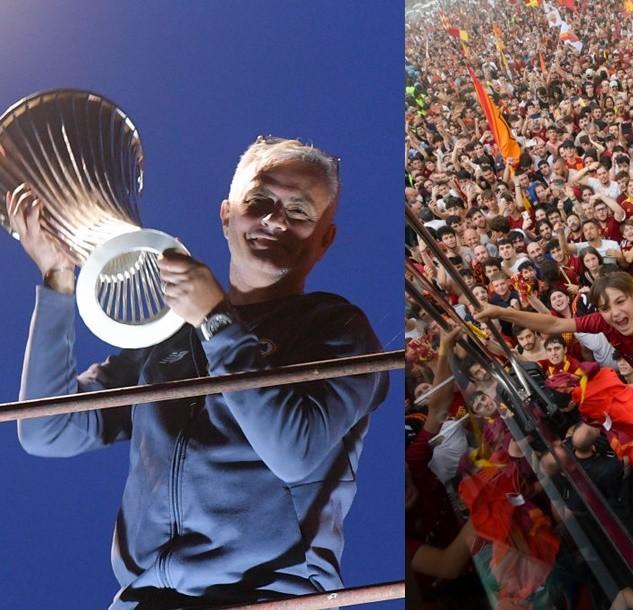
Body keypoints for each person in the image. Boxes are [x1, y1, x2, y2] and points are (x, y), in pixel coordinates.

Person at [10, 137, 389, 608]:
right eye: (260, 201)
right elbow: (47, 430)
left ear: (324, 239)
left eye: (299, 211)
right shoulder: (168, 337)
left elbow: (295, 451)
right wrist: (57, 280)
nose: (274, 219)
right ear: (226, 215)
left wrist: (216, 320)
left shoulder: (337, 328)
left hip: (268, 598)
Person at [476, 272, 633, 422]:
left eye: (620, 302)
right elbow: (554, 324)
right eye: (605, 308)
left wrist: (609, 393)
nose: (615, 313)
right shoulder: (602, 320)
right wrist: (500, 312)